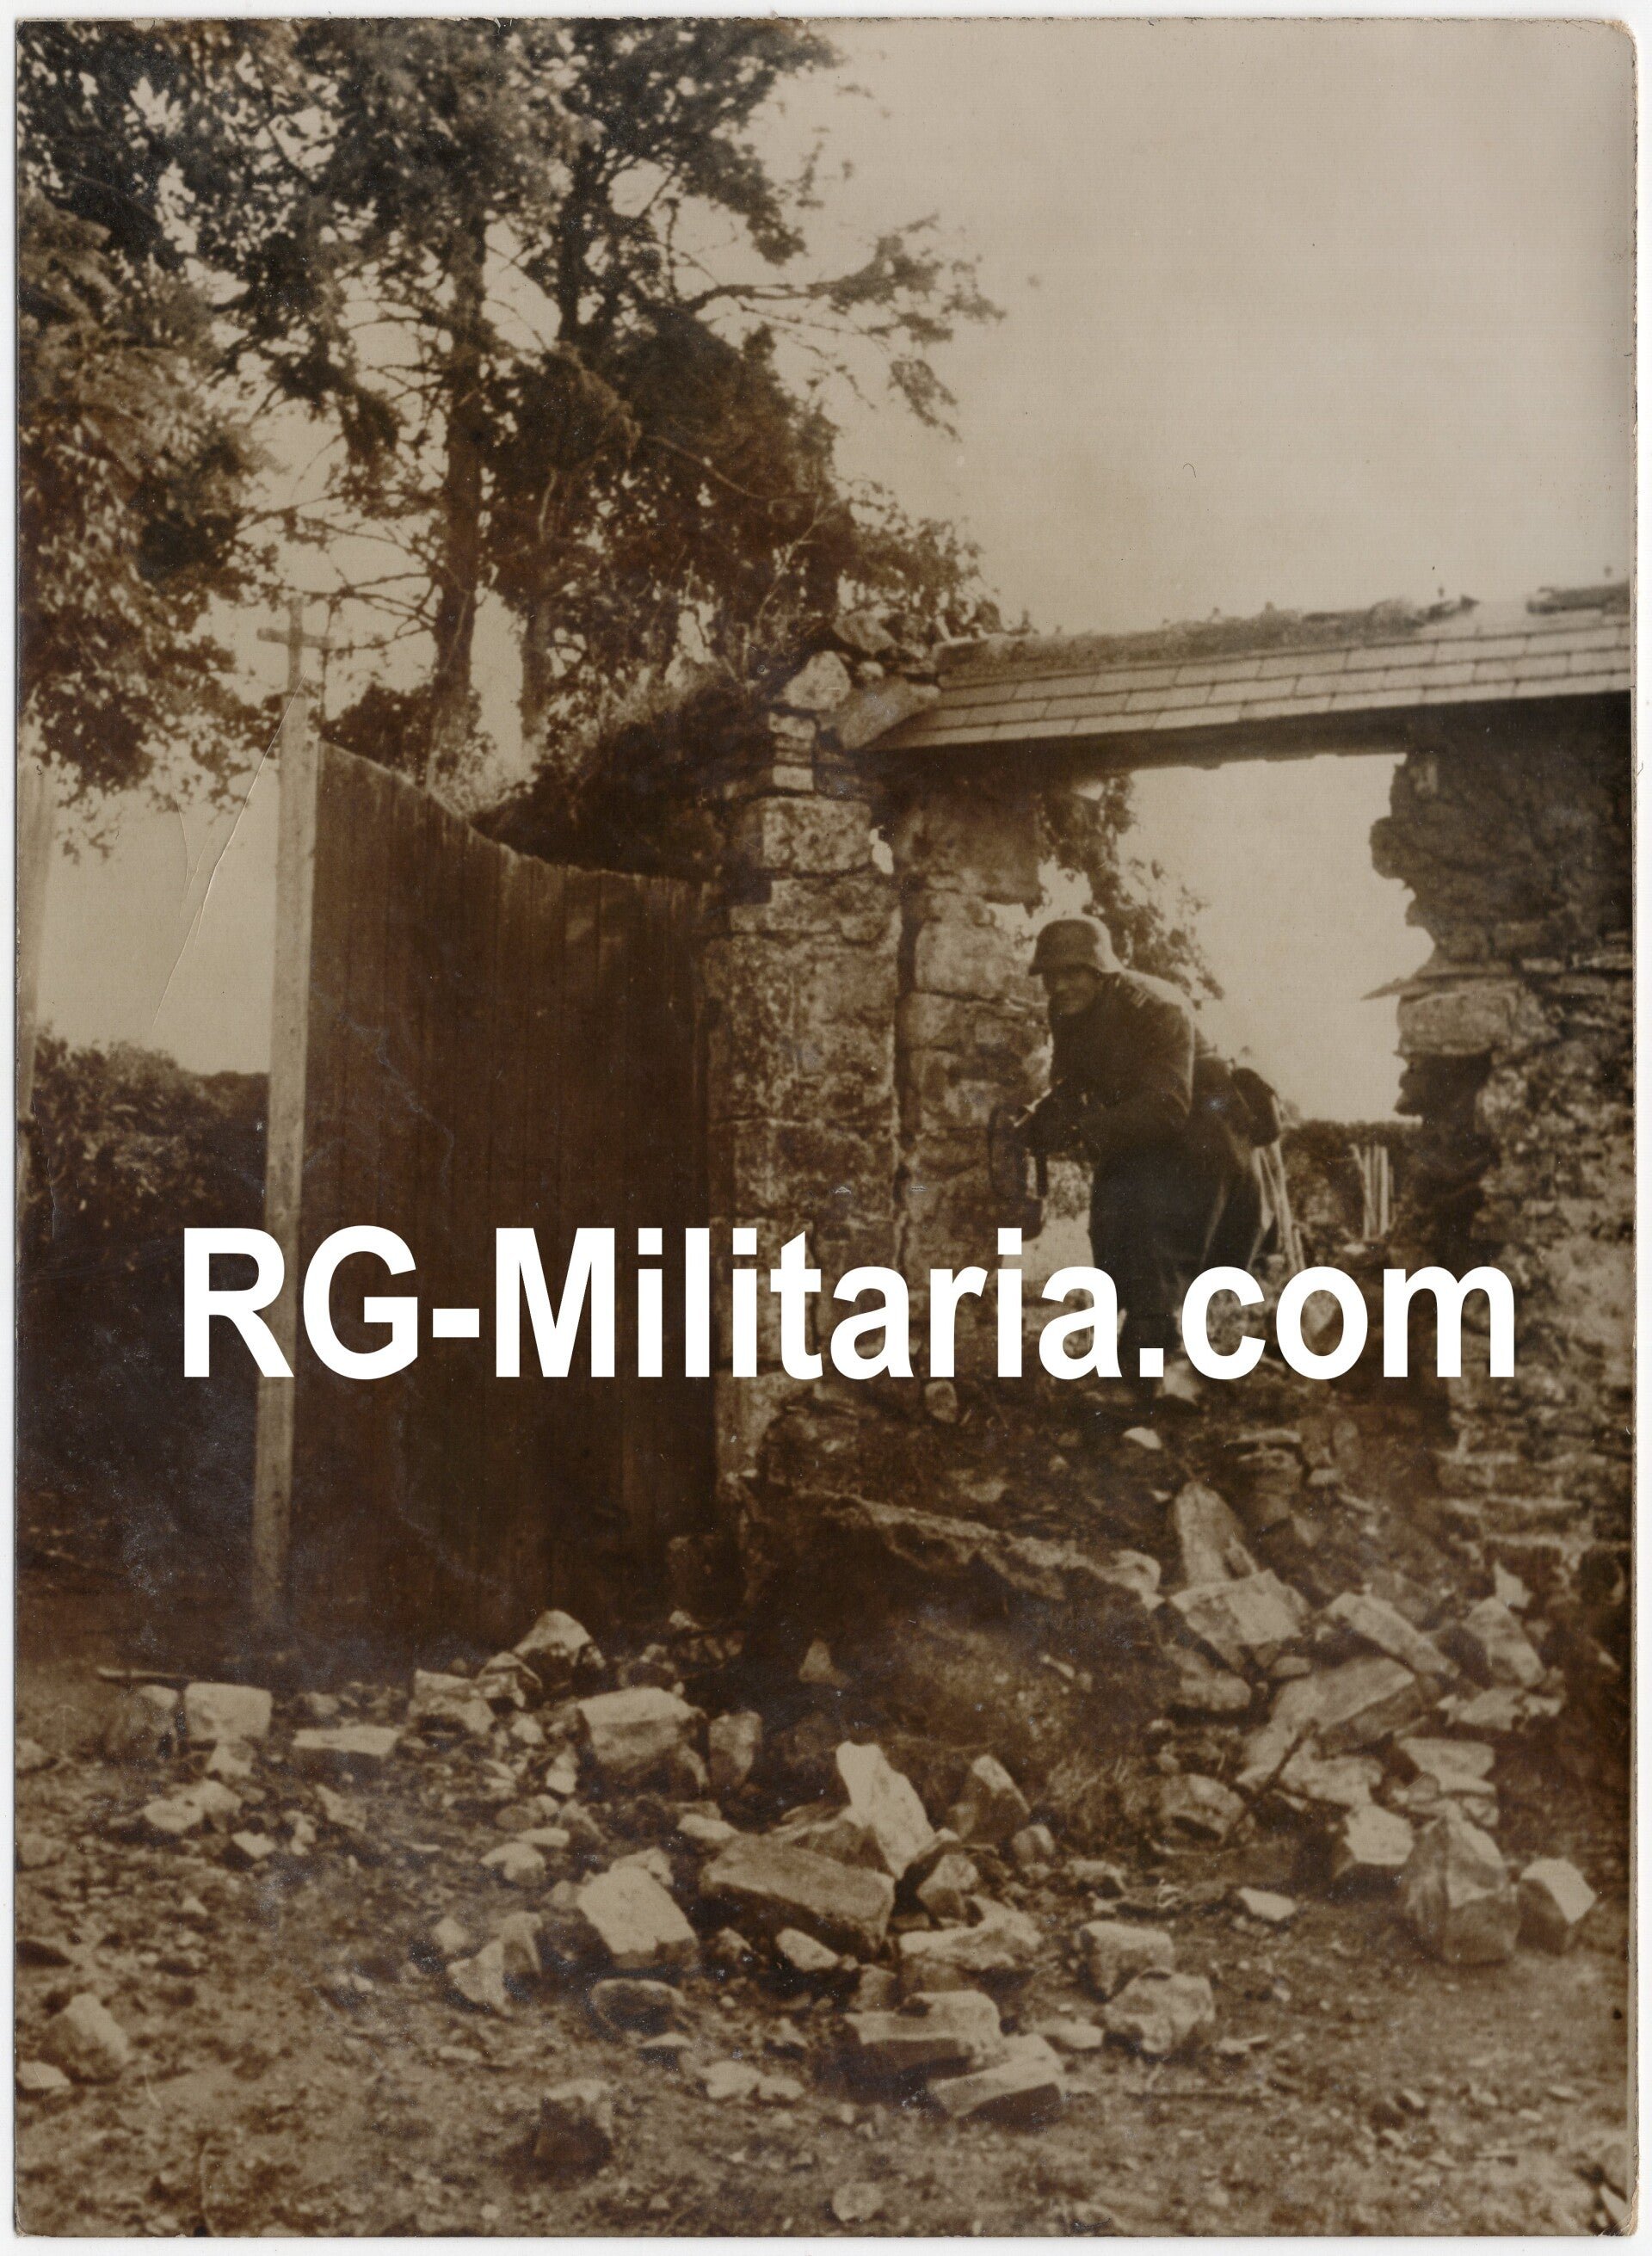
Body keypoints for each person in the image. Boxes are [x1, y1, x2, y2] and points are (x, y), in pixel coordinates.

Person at [1023, 915, 1267, 1400]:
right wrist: (1042, 1119)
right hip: (1137, 1128)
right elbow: (1073, 1083)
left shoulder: (1157, 1007)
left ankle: (1153, 1380)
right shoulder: (1066, 1011)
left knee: (1157, 1238)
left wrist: (1081, 1130)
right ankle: (1135, 1366)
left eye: (1074, 972)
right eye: (1053, 974)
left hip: (1202, 1129)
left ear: (1102, 970)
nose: (1062, 984)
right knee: (1111, 1228)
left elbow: (1169, 1105)